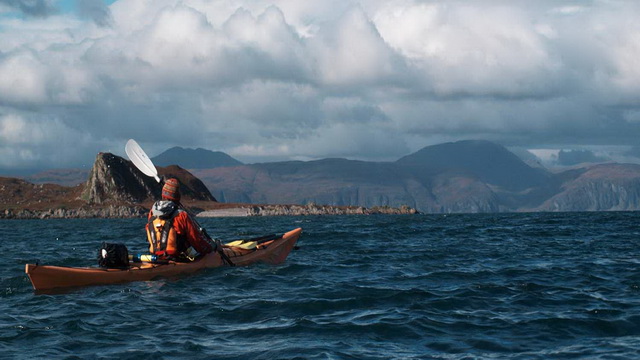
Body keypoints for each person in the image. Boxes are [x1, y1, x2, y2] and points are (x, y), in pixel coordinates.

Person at [146, 178, 213, 261]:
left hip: (155, 258)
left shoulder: (152, 213)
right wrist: (211, 248)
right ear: (177, 197)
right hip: (175, 258)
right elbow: (196, 240)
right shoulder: (181, 215)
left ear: (163, 195)